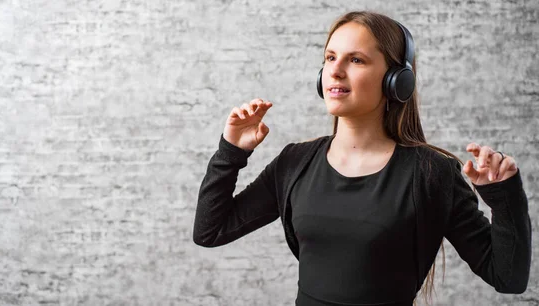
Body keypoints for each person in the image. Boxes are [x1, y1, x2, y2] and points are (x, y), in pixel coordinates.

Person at [192, 11, 531, 306]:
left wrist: (504, 198)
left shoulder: (431, 173)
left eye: (355, 60)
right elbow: (210, 230)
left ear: (397, 81)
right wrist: (231, 151)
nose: (335, 71)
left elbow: (507, 277)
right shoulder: (295, 162)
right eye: (329, 58)